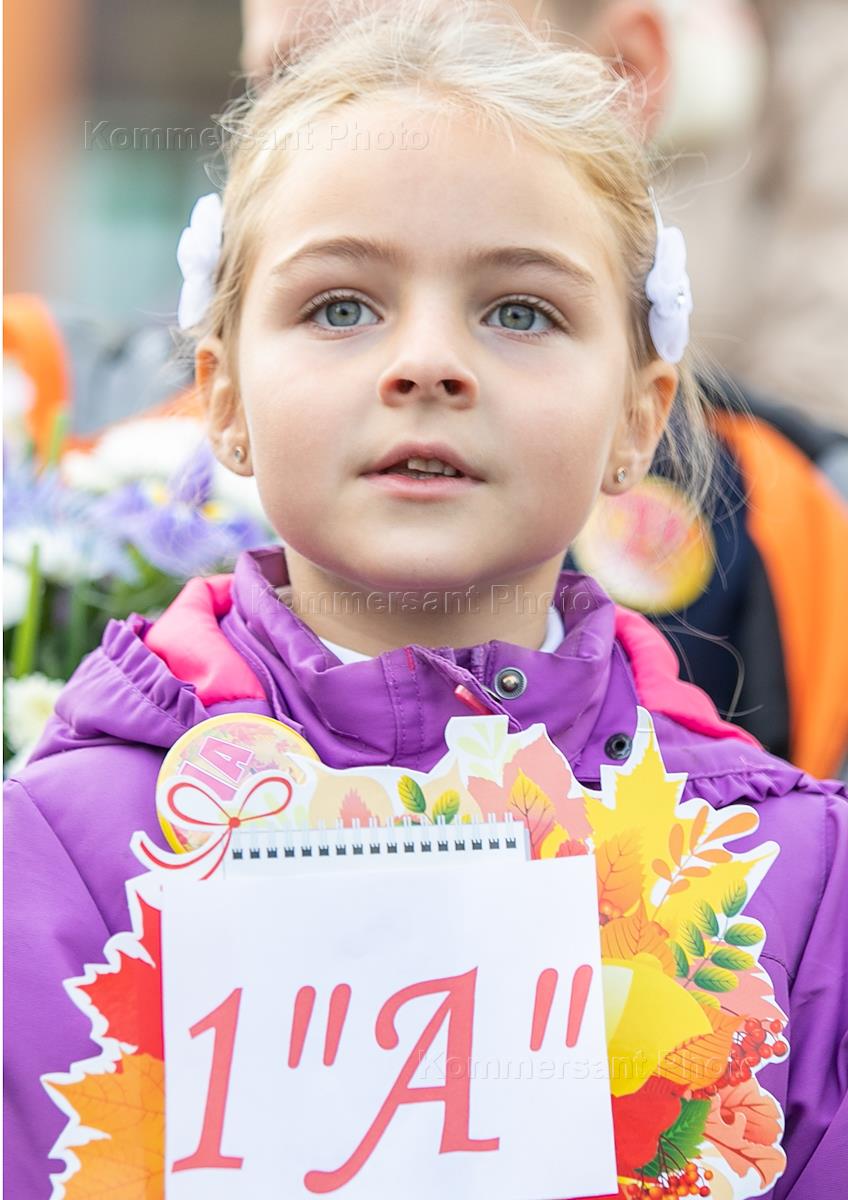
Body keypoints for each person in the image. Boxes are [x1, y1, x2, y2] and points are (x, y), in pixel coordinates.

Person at [4, 4, 846, 1196]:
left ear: (637, 414)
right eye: (340, 307)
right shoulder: (58, 854)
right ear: (223, 395)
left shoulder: (790, 878)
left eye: (519, 312)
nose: (426, 363)